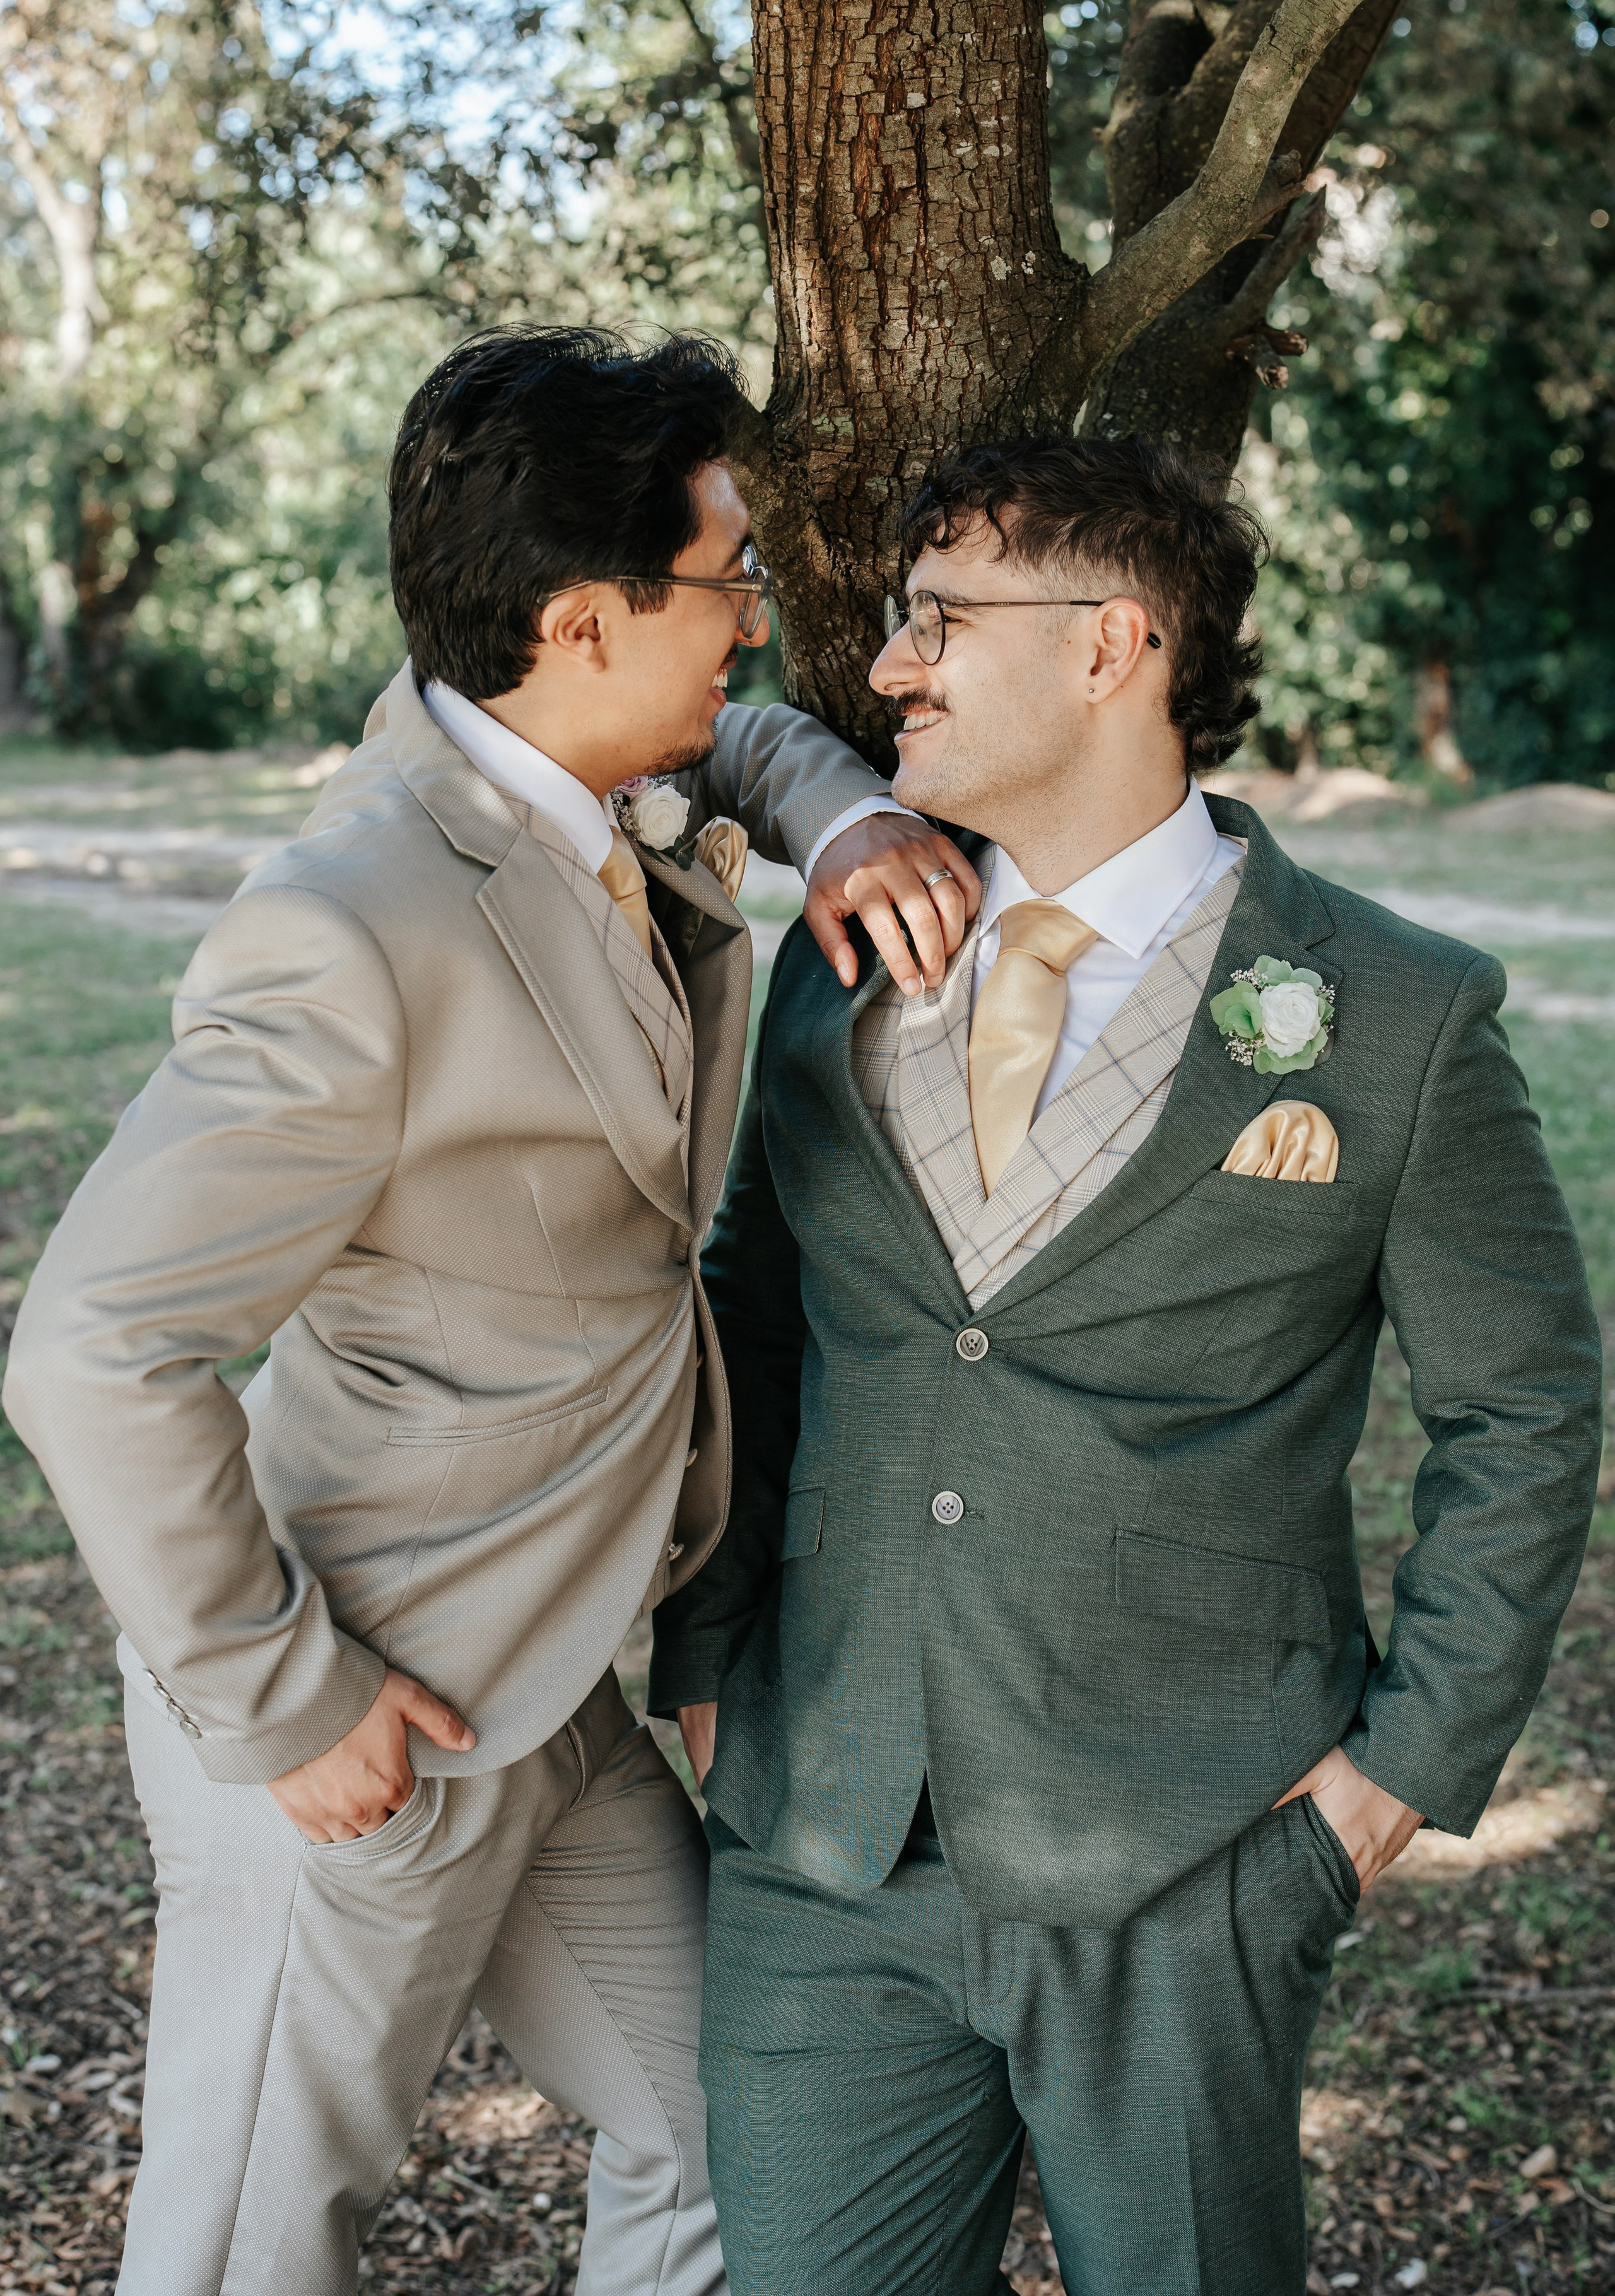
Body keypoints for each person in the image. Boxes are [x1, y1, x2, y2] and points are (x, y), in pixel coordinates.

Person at [1, 325, 978, 2296]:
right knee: (248, 2255)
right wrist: (288, 1695)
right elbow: (91, 1349)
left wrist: (843, 808)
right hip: (364, 1707)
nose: (761, 623)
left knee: (738, 2149)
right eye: (731, 584)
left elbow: (735, 740)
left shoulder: (562, 759)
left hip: (556, 1691)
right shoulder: (350, 922)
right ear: (581, 618)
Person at [652, 435, 1603, 2296]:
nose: (892, 667)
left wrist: (1386, 1782)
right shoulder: (839, 964)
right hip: (822, 1840)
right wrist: (710, 1659)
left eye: (941, 619)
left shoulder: (1397, 1012)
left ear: (1114, 647)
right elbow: (755, 1309)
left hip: (1195, 1864)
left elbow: (1526, 1410)